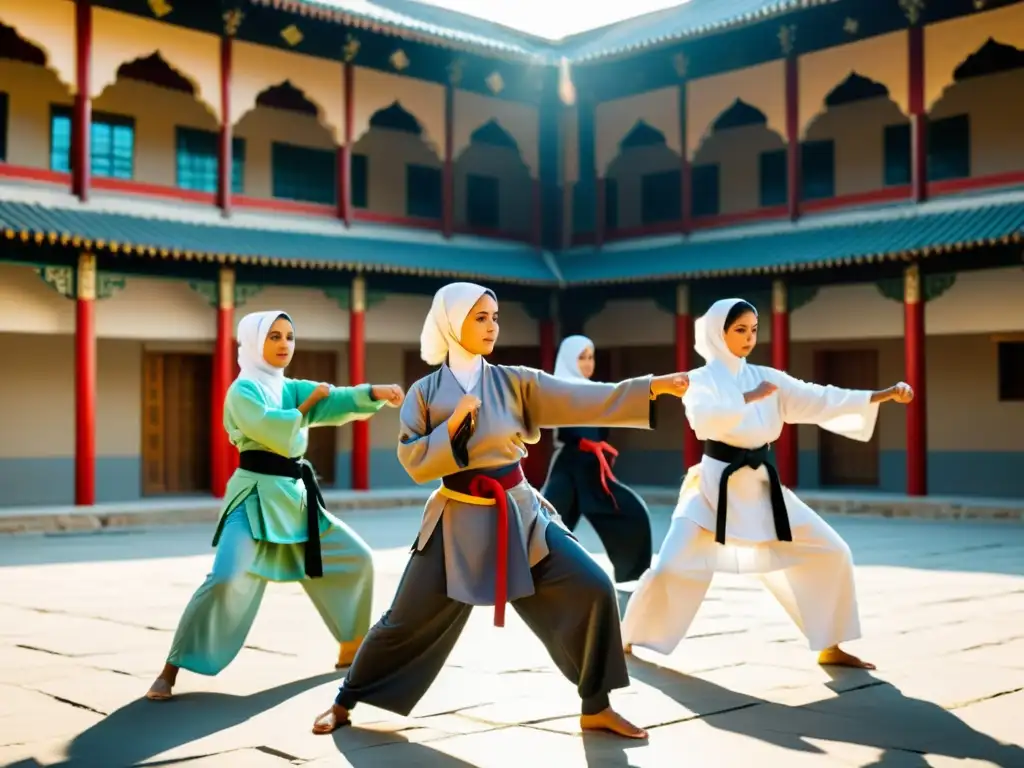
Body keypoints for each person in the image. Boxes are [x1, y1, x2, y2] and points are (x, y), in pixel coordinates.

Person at [311, 282, 689, 739]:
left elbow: (583, 396)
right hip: (456, 519)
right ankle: (344, 700)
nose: (492, 326)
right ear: (452, 323)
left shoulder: (515, 381)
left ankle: (596, 704)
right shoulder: (424, 393)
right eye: (480, 317)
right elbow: (413, 460)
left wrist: (650, 388)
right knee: (403, 620)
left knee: (592, 586)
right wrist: (452, 427)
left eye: (495, 317)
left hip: (520, 513)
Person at [620, 298, 913, 670]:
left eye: (753, 330)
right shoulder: (699, 380)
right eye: (740, 330)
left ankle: (830, 643)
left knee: (832, 551)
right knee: (669, 568)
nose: (748, 338)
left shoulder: (767, 377)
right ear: (718, 333)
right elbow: (704, 420)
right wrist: (747, 398)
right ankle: (628, 636)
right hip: (713, 488)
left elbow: (817, 397)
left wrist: (879, 396)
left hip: (762, 488)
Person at [146, 310, 404, 701]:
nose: (285, 345)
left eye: (289, 337)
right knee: (225, 578)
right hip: (252, 497)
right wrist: (305, 407)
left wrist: (374, 393)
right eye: (275, 337)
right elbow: (270, 430)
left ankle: (351, 647)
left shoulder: (287, 386)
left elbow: (332, 400)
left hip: (294, 498)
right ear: (254, 343)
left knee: (357, 558)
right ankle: (171, 669)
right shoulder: (242, 391)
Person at [541, 335, 654, 584]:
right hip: (569, 468)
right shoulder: (556, 390)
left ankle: (632, 578)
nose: (588, 363)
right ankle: (540, 581)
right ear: (569, 359)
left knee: (633, 513)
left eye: (591, 357)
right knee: (543, 524)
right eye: (582, 358)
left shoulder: (599, 390)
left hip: (593, 469)